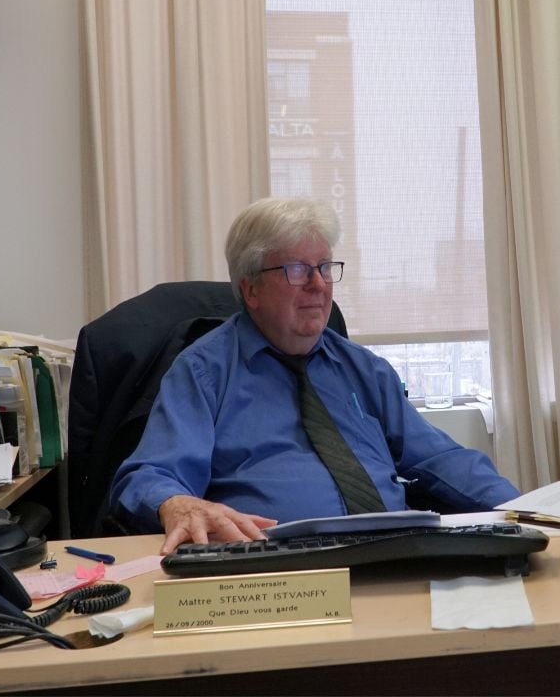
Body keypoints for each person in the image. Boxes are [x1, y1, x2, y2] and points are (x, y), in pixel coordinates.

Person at [107, 197, 521, 554]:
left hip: (396, 556)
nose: (319, 285)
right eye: (297, 270)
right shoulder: (203, 373)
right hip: (275, 571)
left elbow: (439, 458)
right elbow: (150, 475)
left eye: (324, 267)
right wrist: (176, 503)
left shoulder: (362, 368)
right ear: (251, 290)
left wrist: (529, 509)